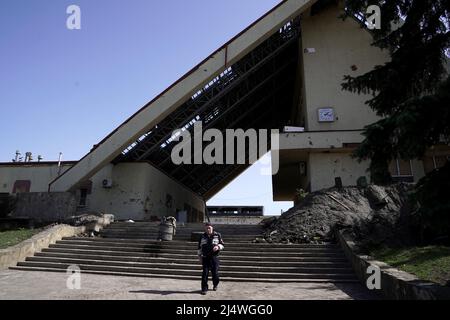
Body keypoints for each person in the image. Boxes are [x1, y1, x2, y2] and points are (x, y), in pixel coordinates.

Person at [197, 222, 224, 295]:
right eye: (206, 228)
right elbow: (199, 247)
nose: (208, 229)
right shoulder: (202, 236)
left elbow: (222, 245)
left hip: (214, 258)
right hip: (205, 258)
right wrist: (199, 256)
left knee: (215, 273)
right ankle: (204, 289)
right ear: (205, 229)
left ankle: (215, 284)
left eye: (209, 228)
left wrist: (218, 247)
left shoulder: (217, 235)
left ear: (212, 228)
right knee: (204, 274)